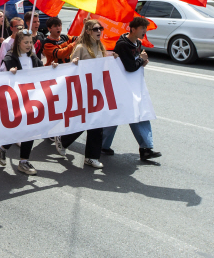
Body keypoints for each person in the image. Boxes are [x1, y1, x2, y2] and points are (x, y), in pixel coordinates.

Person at [0, 29, 59, 175]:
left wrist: (53, 68)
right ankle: (3, 147)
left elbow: (41, 72)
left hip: (32, 99)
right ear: (18, 43)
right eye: (25, 42)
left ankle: (23, 162)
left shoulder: (33, 58)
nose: (28, 45)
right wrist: (9, 73)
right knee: (18, 129)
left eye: (30, 42)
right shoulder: (9, 58)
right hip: (16, 100)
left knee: (30, 130)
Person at [105, 17, 162, 161]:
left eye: (145, 28)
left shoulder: (137, 43)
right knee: (116, 115)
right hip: (121, 87)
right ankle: (101, 144)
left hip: (132, 88)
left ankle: (146, 148)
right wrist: (141, 60)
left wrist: (142, 61)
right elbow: (129, 67)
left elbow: (136, 63)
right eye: (142, 28)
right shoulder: (123, 45)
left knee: (139, 113)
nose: (144, 31)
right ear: (133, 29)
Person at [54, 19, 108, 169]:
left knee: (96, 124)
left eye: (100, 28)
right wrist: (75, 63)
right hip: (84, 90)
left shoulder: (100, 47)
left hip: (97, 90)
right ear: (88, 31)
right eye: (96, 29)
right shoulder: (81, 48)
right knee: (86, 121)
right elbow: (71, 69)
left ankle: (90, 156)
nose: (99, 31)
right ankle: (64, 139)